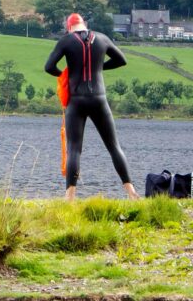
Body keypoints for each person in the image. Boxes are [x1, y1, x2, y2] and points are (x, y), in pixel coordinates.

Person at [44, 13, 138, 202]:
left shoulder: (66, 41)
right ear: (84, 24)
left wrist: (66, 74)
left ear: (69, 27)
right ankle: (132, 193)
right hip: (99, 99)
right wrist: (99, 67)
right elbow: (121, 60)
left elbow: (49, 67)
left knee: (74, 149)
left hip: (76, 100)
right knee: (114, 147)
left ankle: (70, 197)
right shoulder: (102, 38)